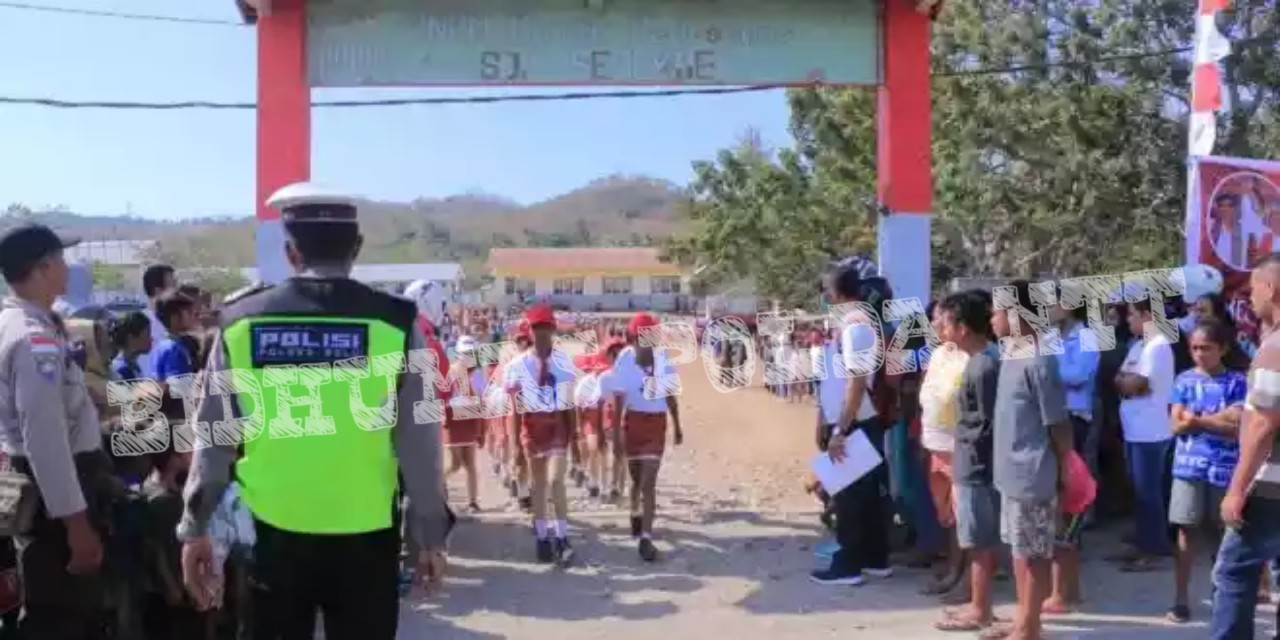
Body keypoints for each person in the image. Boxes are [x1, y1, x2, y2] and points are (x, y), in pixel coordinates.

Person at [176, 183, 452, 640]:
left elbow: (213, 435)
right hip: (367, 535)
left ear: (290, 252)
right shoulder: (396, 324)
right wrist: (429, 536)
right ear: (356, 248)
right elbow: (420, 440)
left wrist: (195, 527)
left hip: (273, 536)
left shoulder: (242, 322)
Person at [0, 223, 111, 638]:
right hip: (56, 500)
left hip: (46, 490)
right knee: (62, 618)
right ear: (43, 267)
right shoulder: (33, 339)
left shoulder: (22, 323)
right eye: (62, 260)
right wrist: (76, 526)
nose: (68, 268)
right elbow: (44, 437)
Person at [990, 279, 1073, 640]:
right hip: (1009, 473)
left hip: (1032, 472)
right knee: (1019, 551)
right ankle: (1024, 618)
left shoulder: (1040, 361)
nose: (992, 318)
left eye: (998, 311)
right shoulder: (1011, 355)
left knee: (1036, 553)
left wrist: (1065, 467)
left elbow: (1058, 424)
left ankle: (1030, 627)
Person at [810, 258, 894, 586]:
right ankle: (875, 557)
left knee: (850, 498)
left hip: (857, 423)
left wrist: (840, 430)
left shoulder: (856, 327)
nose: (825, 298)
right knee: (867, 495)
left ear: (838, 292)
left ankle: (849, 564)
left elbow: (857, 383)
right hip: (853, 421)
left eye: (827, 292)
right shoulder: (850, 325)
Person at [1209, 253, 1280, 639]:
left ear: (1270, 288)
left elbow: (1265, 426)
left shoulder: (1273, 350)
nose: (1250, 298)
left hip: (1268, 485)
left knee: (1233, 574)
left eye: (1253, 288)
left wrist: (1237, 489)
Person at [1164, 321, 1245, 624]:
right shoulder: (1183, 380)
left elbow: (1237, 426)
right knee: (1185, 531)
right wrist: (1215, 420)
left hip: (1224, 470)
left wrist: (1196, 420)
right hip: (1188, 467)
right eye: (1194, 348)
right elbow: (1175, 424)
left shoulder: (1237, 382)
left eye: (1206, 348)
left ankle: (1221, 595)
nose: (1199, 354)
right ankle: (1180, 599)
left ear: (1222, 348)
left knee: (1223, 535)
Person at [934, 291, 1002, 632]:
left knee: (979, 540)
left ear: (962, 327)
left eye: (946, 323)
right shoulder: (978, 361)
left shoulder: (984, 366)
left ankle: (981, 608)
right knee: (974, 537)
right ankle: (977, 603)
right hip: (970, 460)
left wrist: (971, 458)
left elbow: (990, 422)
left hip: (977, 465)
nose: (942, 330)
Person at [603, 313, 684, 562]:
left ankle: (647, 538)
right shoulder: (624, 360)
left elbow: (670, 395)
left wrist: (678, 425)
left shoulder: (663, 361)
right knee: (636, 480)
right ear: (634, 338)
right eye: (643, 337)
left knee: (649, 482)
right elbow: (617, 402)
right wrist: (616, 436)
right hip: (633, 422)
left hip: (656, 424)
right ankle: (634, 511)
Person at [506, 304, 577, 564]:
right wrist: (514, 445)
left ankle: (561, 536)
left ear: (553, 329)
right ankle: (541, 537)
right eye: (537, 328)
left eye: (546, 327)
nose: (542, 333)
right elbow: (515, 410)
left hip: (557, 424)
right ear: (530, 330)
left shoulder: (562, 362)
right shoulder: (517, 365)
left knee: (556, 480)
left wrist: (575, 436)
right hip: (532, 427)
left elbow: (569, 403)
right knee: (538, 485)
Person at [1113, 297, 1176, 572]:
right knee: (1137, 490)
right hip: (1134, 430)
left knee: (1148, 491)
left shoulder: (1158, 346)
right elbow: (1119, 378)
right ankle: (1143, 541)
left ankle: (1154, 549)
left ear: (1148, 315)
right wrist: (1126, 383)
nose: (1128, 320)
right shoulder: (1139, 345)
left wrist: (1128, 382)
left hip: (1151, 431)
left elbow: (1137, 383)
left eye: (1132, 315)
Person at [918, 301, 969, 598]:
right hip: (935, 444)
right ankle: (954, 568)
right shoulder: (938, 354)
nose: (935, 325)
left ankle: (965, 578)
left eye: (941, 320)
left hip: (958, 447)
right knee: (948, 515)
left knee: (966, 515)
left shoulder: (970, 358)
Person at [443, 336, 485, 513]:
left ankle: (473, 501)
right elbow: (442, 397)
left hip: (470, 420)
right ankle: (435, 486)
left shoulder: (477, 375)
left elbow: (482, 402)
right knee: (455, 463)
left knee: (470, 464)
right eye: (464, 353)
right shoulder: (450, 372)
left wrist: (481, 429)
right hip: (452, 419)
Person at [111, 310, 153, 381]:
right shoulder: (122, 370)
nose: (151, 339)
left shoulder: (133, 366)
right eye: (147, 334)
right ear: (131, 338)